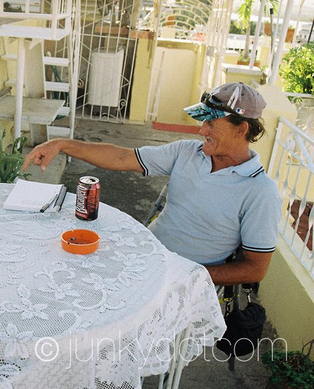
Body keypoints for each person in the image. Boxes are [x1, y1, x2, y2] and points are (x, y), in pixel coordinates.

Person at [23, 82, 281, 286]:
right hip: (146, 256)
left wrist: (187, 274)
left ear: (241, 129)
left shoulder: (260, 192)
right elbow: (122, 156)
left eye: (211, 124)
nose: (202, 131)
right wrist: (62, 144)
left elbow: (255, 268)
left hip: (185, 281)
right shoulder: (188, 152)